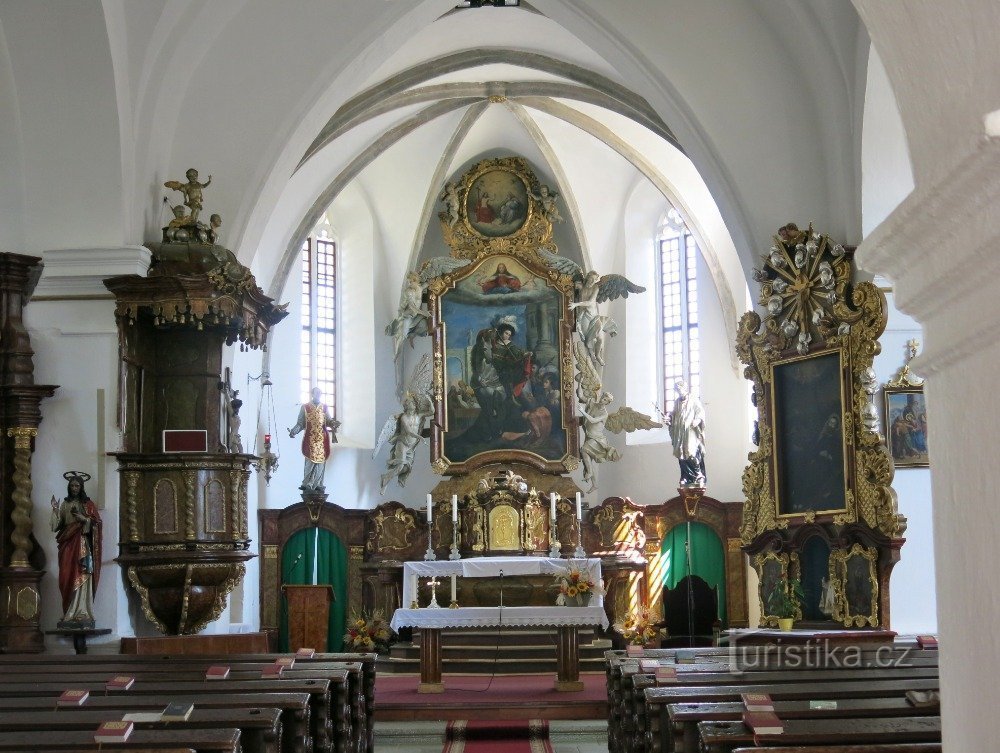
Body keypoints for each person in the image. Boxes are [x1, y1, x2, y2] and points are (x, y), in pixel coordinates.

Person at [50, 473, 102, 628]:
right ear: (69, 487)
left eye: (77, 486)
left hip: (82, 545)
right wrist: (54, 509)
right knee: (66, 576)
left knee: (82, 573)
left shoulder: (88, 504)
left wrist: (83, 518)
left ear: (81, 487)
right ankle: (69, 612)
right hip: (67, 545)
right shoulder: (65, 505)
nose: (74, 488)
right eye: (72, 485)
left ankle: (82, 611)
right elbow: (56, 527)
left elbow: (97, 523)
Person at [288, 387, 340, 491]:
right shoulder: (305, 407)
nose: (318, 395)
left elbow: (328, 421)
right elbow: (300, 423)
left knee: (320, 462)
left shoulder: (324, 407)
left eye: (320, 393)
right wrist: (294, 431)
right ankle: (307, 483)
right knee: (310, 462)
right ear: (312, 394)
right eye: (316, 393)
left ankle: (318, 484)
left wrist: (333, 423)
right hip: (310, 439)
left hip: (322, 440)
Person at [379, 393, 433, 493]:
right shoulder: (404, 417)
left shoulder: (419, 415)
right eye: (409, 402)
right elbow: (409, 431)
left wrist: (429, 400)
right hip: (403, 443)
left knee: (406, 468)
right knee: (400, 466)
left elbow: (431, 412)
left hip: (411, 446)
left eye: (412, 402)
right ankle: (385, 481)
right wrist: (420, 437)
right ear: (406, 405)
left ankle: (386, 476)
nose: (411, 403)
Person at [666, 379, 707, 487]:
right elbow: (673, 414)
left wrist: (697, 420)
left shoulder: (693, 399)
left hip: (690, 431)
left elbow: (700, 411)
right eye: (677, 391)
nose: (679, 392)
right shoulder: (677, 402)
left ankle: (699, 475)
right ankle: (686, 476)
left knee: (691, 452)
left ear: (685, 389)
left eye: (680, 390)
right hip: (679, 433)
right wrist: (669, 418)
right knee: (681, 454)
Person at [578, 390, 621, 491]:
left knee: (584, 450)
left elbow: (592, 420)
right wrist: (580, 381)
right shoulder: (593, 403)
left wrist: (582, 411)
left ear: (607, 403)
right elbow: (580, 395)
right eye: (603, 397)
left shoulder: (604, 414)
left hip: (597, 439)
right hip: (589, 436)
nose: (603, 400)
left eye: (605, 400)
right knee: (589, 462)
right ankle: (595, 484)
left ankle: (589, 473)